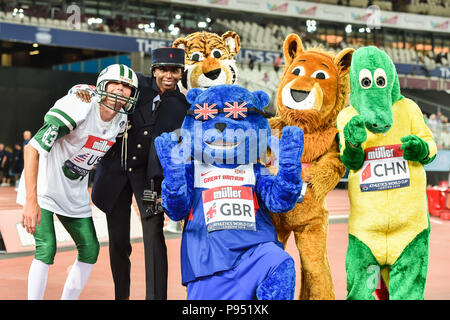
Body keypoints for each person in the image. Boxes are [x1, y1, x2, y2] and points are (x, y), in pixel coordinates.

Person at [73, 47, 188, 300]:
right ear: (154, 69)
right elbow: (102, 89)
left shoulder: (183, 104)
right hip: (115, 173)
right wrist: (78, 91)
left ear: (181, 73)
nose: (168, 75)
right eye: (163, 69)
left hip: (149, 179)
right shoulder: (134, 83)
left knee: (154, 235)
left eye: (174, 70)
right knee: (118, 242)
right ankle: (121, 296)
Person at [17, 64, 139, 300]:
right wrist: (31, 200)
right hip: (45, 185)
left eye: (127, 87)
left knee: (90, 249)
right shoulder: (79, 105)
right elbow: (32, 149)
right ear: (102, 86)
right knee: (46, 248)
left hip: (74, 189)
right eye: (115, 83)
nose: (120, 90)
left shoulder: (121, 121)